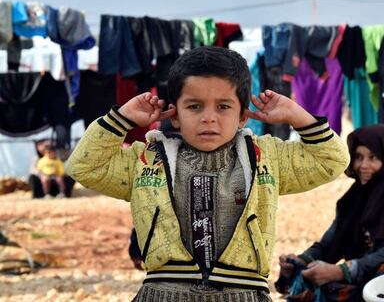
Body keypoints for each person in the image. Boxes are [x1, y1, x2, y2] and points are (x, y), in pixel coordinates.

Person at [66, 46, 350, 302]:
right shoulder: (147, 160)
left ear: (242, 116)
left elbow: (332, 160)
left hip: (244, 293)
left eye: (224, 107)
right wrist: (121, 119)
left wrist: (296, 115)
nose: (209, 117)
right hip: (163, 293)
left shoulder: (267, 158)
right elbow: (83, 166)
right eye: (194, 106)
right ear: (174, 114)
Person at [276, 124, 384, 302]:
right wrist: (299, 261)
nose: (363, 165)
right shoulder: (352, 200)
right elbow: (329, 244)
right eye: (358, 157)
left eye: (373, 157)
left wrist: (341, 271)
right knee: (318, 283)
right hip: (358, 279)